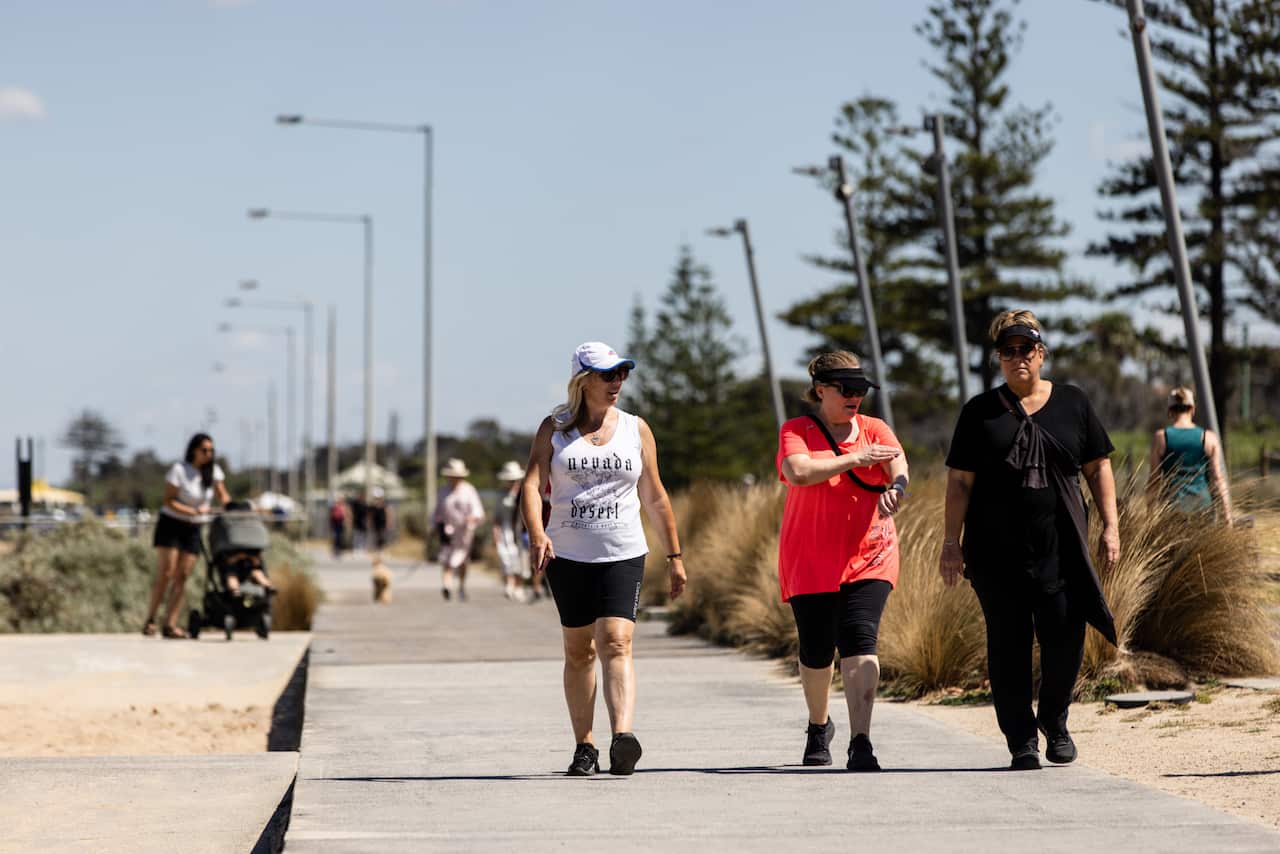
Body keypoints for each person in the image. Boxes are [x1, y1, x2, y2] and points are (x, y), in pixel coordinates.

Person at [940, 310, 1119, 770]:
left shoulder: (1073, 403)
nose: (1017, 357)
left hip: (1060, 550)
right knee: (1008, 644)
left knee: (1065, 637)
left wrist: (1110, 526)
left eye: (1025, 349)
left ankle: (1055, 722)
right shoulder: (979, 413)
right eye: (1007, 351)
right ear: (999, 358)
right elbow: (959, 483)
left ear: (1041, 353)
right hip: (995, 553)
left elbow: (1099, 467)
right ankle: (1021, 739)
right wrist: (950, 543)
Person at [521, 341, 687, 777]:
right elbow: (531, 484)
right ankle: (584, 745)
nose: (617, 382)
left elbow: (653, 494)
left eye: (622, 373)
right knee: (579, 650)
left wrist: (675, 555)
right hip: (568, 554)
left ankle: (622, 737)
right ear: (583, 380)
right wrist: (537, 534)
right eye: (607, 374)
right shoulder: (554, 428)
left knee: (616, 640)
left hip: (623, 551)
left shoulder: (636, 428)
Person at [776, 351, 907, 772]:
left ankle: (861, 741)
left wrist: (897, 488)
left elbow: (898, 464)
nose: (855, 398)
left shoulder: (874, 428)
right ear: (820, 390)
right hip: (811, 557)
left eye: (861, 391)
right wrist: (855, 459)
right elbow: (799, 472)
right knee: (816, 651)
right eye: (846, 390)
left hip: (870, 553)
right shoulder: (797, 430)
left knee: (860, 640)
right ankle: (818, 726)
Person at [144, 433, 230, 639]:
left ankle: (170, 623)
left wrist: (232, 507)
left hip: (194, 528)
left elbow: (223, 494)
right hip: (171, 525)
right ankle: (151, 619)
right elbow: (168, 500)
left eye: (211, 451)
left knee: (183, 575)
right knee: (167, 572)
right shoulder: (179, 470)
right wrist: (191, 511)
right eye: (204, 450)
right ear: (194, 450)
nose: (208, 454)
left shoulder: (214, 472)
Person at [1146, 386, 1233, 525]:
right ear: (1192, 409)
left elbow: (1154, 481)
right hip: (1202, 509)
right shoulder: (1208, 438)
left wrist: (1150, 517)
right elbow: (1218, 479)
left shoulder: (1161, 437)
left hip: (1172, 510)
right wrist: (1227, 515)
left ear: (1170, 411)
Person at [434, 458, 484, 601]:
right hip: (448, 530)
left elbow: (477, 511)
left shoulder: (469, 490)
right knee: (447, 558)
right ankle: (447, 585)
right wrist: (436, 526)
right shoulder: (443, 491)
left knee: (462, 560)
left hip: (464, 532)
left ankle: (461, 586)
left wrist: (471, 518)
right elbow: (437, 511)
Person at [493, 461, 530, 601]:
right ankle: (510, 583)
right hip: (506, 530)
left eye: (513, 479)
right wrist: (495, 532)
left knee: (521, 557)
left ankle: (519, 586)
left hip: (522, 529)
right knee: (507, 557)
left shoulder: (524, 492)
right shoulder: (501, 495)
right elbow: (497, 517)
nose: (511, 482)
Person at [369, 486, 394, 555]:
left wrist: (389, 522)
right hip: (375, 523)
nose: (377, 499)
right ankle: (377, 549)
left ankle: (382, 549)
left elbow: (388, 514)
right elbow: (370, 515)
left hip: (383, 523)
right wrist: (370, 522)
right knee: (376, 536)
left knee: (383, 536)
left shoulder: (384, 505)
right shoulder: (372, 506)